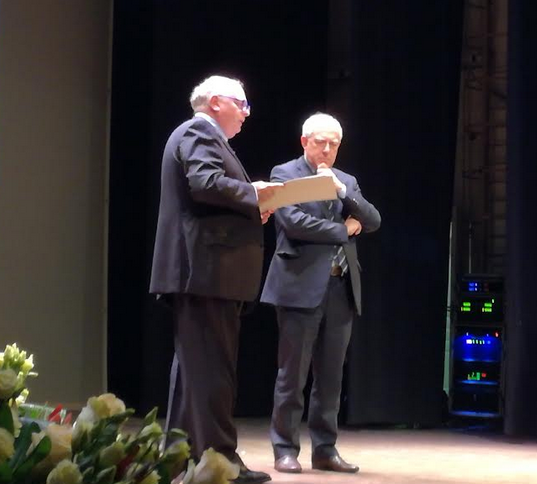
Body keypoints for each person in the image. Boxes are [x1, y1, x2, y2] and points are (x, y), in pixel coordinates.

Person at [150, 75, 280, 484]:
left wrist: (250, 202)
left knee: (194, 372)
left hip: (202, 273)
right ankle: (222, 462)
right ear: (217, 102)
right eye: (242, 105)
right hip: (205, 271)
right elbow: (205, 183)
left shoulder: (201, 136)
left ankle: (177, 458)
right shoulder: (199, 132)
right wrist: (254, 194)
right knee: (213, 372)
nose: (246, 114)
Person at [261, 113, 381, 474]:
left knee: (330, 378)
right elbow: (293, 223)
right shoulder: (286, 174)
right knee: (292, 375)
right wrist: (344, 230)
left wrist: (342, 192)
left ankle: (325, 449)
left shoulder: (346, 180)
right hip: (299, 286)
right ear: (305, 142)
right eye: (320, 142)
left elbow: (373, 220)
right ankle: (285, 448)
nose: (327, 149)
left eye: (333, 144)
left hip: (340, 288)